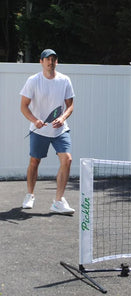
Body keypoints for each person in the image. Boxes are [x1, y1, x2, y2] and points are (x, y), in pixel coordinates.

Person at [20, 49, 75, 215]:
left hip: (60, 130)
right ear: (41, 62)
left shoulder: (65, 80)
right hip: (39, 130)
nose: (51, 62)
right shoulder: (33, 81)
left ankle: (58, 202)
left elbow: (70, 106)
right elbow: (23, 106)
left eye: (54, 59)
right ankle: (30, 195)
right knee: (34, 162)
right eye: (47, 59)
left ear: (56, 62)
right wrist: (34, 120)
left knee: (67, 160)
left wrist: (63, 118)